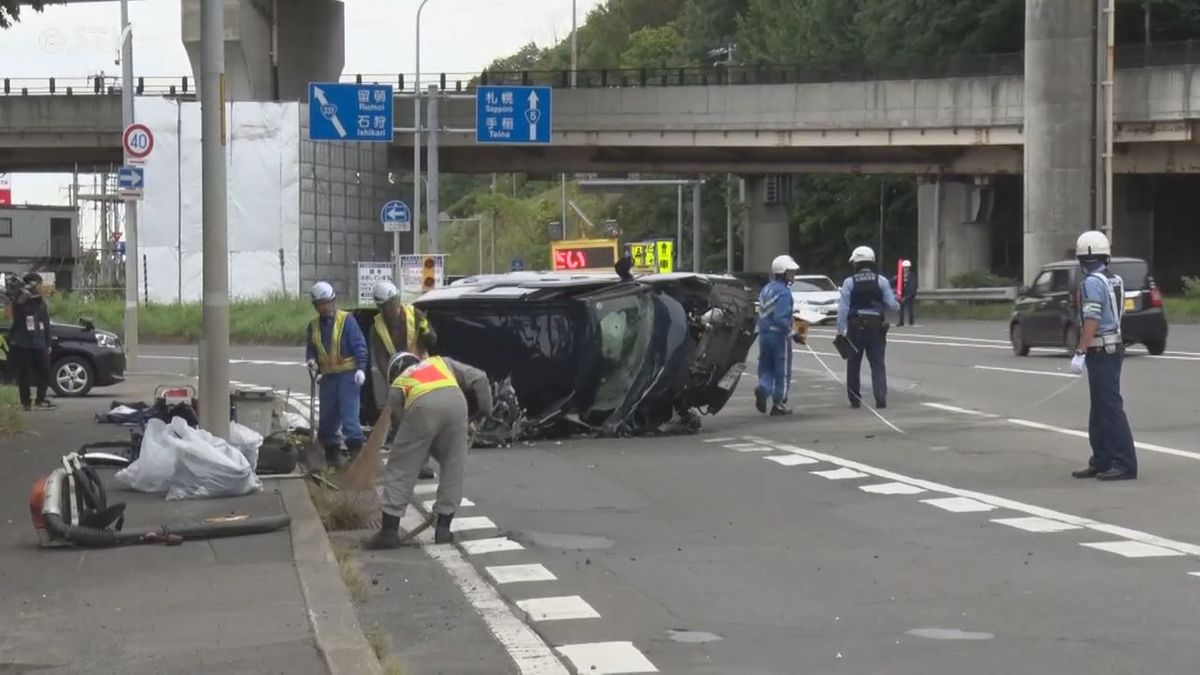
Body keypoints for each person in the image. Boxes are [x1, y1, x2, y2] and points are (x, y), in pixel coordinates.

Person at [364, 351, 493, 549]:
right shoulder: (441, 362)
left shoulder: (398, 385)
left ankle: (389, 531)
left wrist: (420, 451)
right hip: (457, 404)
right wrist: (483, 411)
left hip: (421, 407)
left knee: (401, 465)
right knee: (453, 463)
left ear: (393, 373)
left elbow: (408, 436)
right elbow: (480, 378)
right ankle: (443, 528)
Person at [1069, 231, 1138, 481]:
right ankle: (1101, 459)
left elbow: (1092, 319)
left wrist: (1080, 351)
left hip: (1101, 349)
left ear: (1081, 259)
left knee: (1108, 408)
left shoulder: (1090, 283)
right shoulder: (1114, 279)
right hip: (1113, 346)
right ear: (1106, 256)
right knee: (1100, 408)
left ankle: (1124, 463)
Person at [368, 280, 438, 479]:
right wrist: (393, 382)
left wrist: (427, 332)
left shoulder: (414, 315)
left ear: (397, 300)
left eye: (393, 303)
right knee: (402, 423)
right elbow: (381, 359)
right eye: (386, 306)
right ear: (380, 307)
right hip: (398, 378)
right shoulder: (377, 328)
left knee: (423, 421)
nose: (391, 309)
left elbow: (432, 340)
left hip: (422, 373)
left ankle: (423, 464)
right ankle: (406, 466)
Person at [304, 281, 368, 468]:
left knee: (349, 416)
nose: (325, 307)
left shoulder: (347, 320)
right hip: (328, 377)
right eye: (321, 304)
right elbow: (311, 347)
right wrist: (311, 360)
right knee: (328, 417)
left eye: (328, 303)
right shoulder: (313, 326)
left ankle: (356, 453)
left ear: (333, 301)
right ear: (316, 306)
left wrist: (361, 369)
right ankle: (332, 453)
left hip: (348, 376)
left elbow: (359, 346)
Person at [836, 246, 900, 409]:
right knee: (877, 363)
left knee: (853, 363)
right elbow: (893, 306)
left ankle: (855, 399)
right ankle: (880, 397)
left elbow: (843, 308)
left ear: (856, 263)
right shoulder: (882, 281)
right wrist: (897, 301)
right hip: (876, 326)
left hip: (855, 325)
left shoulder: (849, 282)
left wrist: (840, 330)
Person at [755, 254, 800, 416]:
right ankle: (779, 403)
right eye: (791, 272)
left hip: (764, 334)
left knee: (766, 367)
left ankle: (763, 388)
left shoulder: (766, 289)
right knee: (782, 371)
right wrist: (793, 333)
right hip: (779, 336)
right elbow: (780, 318)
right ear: (783, 273)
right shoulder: (784, 292)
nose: (793, 275)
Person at [6, 272, 56, 411]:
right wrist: (24, 295)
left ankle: (40, 400)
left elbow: (45, 323)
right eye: (38, 284)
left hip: (39, 342)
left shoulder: (40, 302)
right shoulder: (21, 299)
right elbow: (16, 311)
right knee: (24, 374)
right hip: (22, 342)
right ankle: (25, 403)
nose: (40, 287)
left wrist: (48, 343)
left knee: (45, 372)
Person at [896, 260, 917, 327]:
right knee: (901, 308)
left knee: (910, 308)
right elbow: (894, 283)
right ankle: (901, 321)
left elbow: (913, 286)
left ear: (909, 268)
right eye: (904, 267)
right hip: (902, 293)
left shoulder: (912, 276)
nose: (905, 269)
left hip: (910, 294)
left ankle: (911, 322)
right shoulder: (900, 276)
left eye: (907, 267)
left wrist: (907, 296)